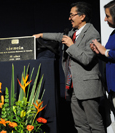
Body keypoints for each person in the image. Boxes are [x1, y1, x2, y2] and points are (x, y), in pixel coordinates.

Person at [33, 2, 105, 133]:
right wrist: (41, 35)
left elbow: (87, 59)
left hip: (88, 87)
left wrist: (71, 46)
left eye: (72, 15)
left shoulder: (92, 34)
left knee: (95, 125)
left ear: (82, 16)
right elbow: (59, 36)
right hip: (73, 87)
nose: (69, 18)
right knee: (80, 125)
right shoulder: (73, 32)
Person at [90, 0, 115, 132]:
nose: (105, 19)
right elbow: (110, 57)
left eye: (108, 16)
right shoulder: (113, 33)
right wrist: (99, 53)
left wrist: (105, 51)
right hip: (112, 88)